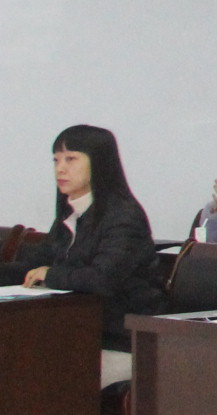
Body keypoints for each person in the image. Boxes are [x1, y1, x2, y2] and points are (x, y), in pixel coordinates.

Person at [12, 124, 166, 352]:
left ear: (99, 163)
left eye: (71, 159)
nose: (60, 169)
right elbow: (34, 266)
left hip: (122, 342)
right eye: (56, 160)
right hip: (77, 334)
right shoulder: (69, 214)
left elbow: (102, 279)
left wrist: (50, 274)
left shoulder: (124, 216)